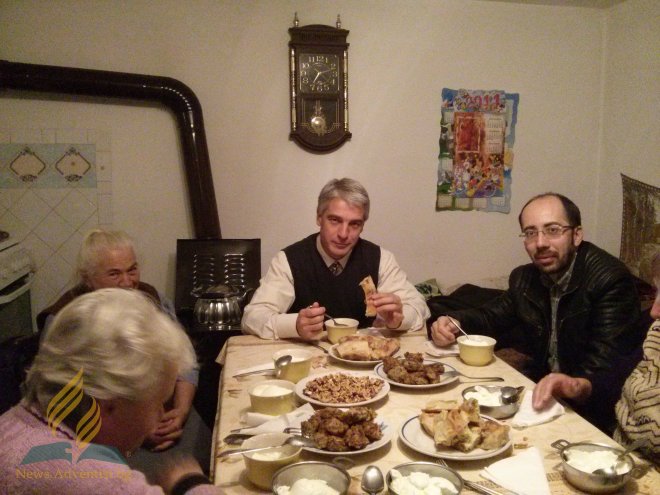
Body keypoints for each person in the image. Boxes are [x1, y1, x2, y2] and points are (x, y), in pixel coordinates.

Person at [430, 192, 646, 434]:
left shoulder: (609, 279)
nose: (540, 242)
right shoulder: (524, 278)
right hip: (544, 394)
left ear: (576, 235)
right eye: (531, 233)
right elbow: (491, 316)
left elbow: (606, 370)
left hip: (592, 411)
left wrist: (569, 387)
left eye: (553, 230)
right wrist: (453, 321)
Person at [0, 289, 223, 494]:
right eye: (158, 403)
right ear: (109, 405)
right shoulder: (93, 479)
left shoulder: (12, 424)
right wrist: (191, 482)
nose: (160, 416)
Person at [35, 229, 209, 478]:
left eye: (132, 270)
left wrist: (180, 411)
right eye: (114, 273)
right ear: (88, 279)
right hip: (106, 435)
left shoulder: (153, 298)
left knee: (214, 454)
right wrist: (140, 426)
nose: (127, 282)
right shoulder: (66, 319)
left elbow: (186, 363)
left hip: (167, 415)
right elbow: (67, 401)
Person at [242, 177, 430, 340]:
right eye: (335, 220)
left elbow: (420, 307)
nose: (343, 234)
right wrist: (295, 325)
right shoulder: (289, 260)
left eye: (354, 224)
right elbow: (252, 317)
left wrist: (399, 319)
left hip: (365, 358)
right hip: (309, 359)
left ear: (363, 226)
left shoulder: (381, 259)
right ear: (319, 218)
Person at [614, 253, 659, 462]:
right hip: (624, 454)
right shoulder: (653, 331)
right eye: (657, 292)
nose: (654, 311)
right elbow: (618, 373)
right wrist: (581, 386)